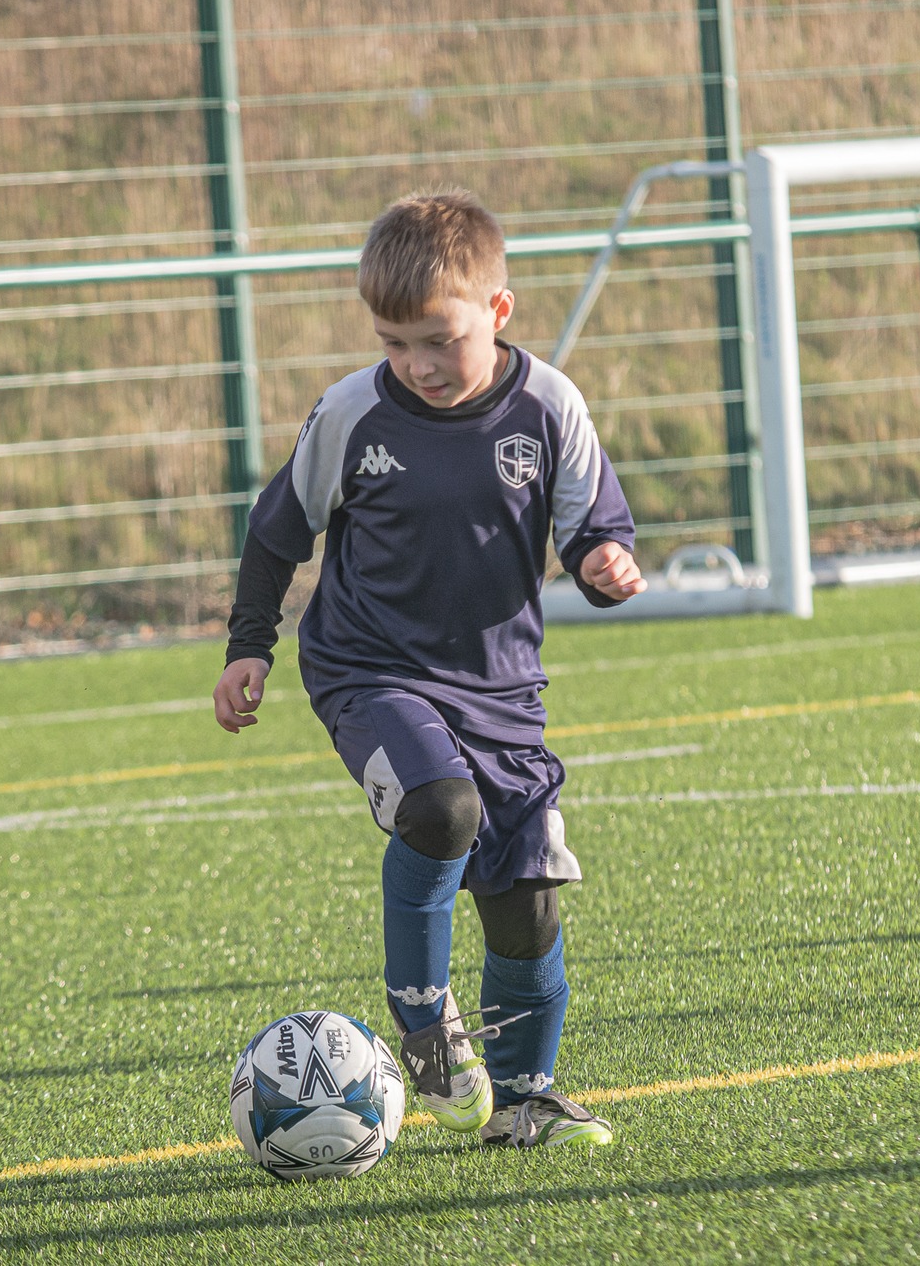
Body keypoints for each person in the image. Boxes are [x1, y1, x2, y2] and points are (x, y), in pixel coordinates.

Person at [211, 190, 646, 1151]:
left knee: (525, 901)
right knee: (441, 810)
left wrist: (605, 564)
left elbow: (593, 526)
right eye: (395, 343)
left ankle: (526, 1101)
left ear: (498, 310)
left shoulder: (551, 405)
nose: (417, 365)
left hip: (502, 691)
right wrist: (250, 645)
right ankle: (424, 1025)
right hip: (367, 670)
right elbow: (277, 532)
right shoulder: (352, 411)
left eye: (439, 341)